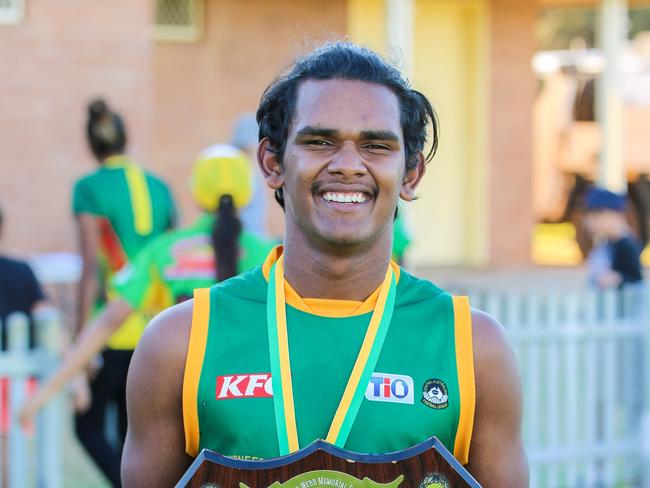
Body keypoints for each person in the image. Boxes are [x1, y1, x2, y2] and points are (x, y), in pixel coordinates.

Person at [122, 42, 528, 487]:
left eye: (376, 145)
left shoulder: (474, 348)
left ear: (411, 174)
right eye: (320, 141)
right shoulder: (178, 344)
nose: (349, 165)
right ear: (273, 162)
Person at [20, 145, 276, 425]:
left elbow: (107, 321)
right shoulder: (270, 255)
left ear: (195, 192)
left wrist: (42, 395)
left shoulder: (163, 251)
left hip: (181, 406)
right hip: (254, 403)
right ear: (249, 191)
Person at [71, 99, 177, 487]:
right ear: (125, 138)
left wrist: (81, 339)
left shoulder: (88, 188)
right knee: (140, 437)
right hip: (159, 329)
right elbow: (171, 258)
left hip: (114, 327)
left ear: (91, 143)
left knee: (88, 427)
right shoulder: (159, 186)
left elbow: (89, 267)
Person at [583, 187, 644, 289]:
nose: (589, 222)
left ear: (614, 215)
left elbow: (637, 281)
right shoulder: (607, 244)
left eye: (596, 215)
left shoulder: (626, 245)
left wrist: (618, 279)